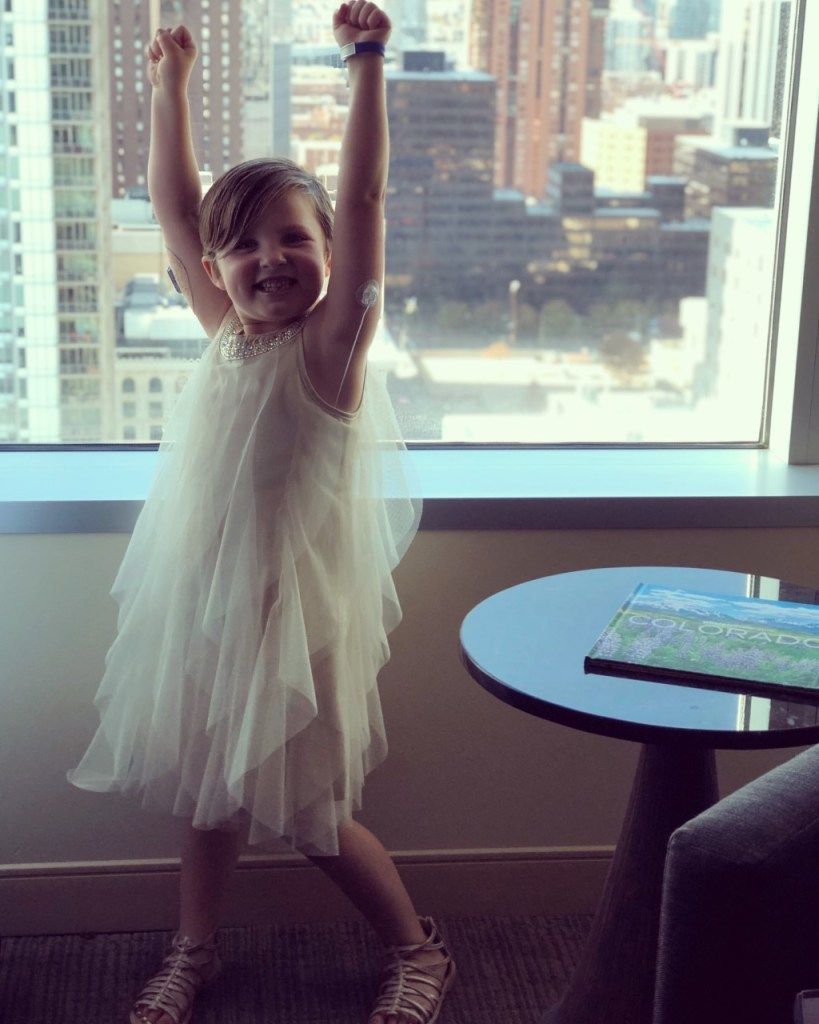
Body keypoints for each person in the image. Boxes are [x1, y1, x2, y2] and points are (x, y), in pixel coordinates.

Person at [65, 5, 456, 1023]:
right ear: (215, 271)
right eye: (241, 246)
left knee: (316, 817)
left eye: (294, 237)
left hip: (294, 627)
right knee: (207, 798)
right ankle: (195, 948)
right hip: (204, 612)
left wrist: (365, 61)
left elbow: (365, 196)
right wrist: (169, 90)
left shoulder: (329, 358)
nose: (267, 259)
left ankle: (418, 948)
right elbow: (172, 211)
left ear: (331, 252)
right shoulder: (224, 333)